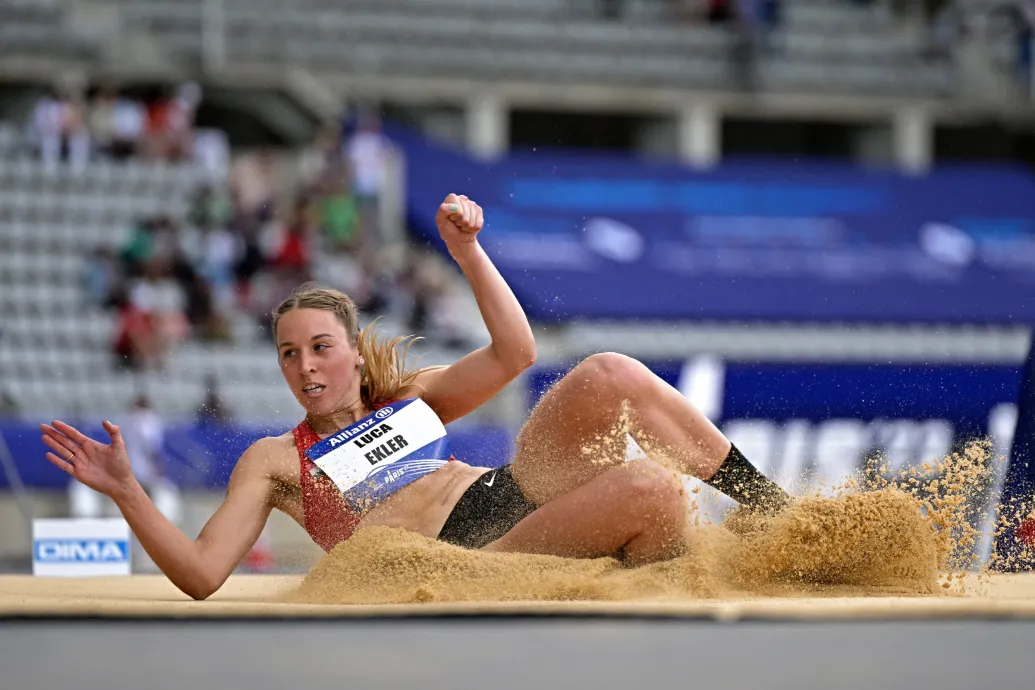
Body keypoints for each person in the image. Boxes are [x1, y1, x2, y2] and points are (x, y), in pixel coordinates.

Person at [41, 194, 789, 600]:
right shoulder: (274, 461)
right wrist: (129, 493)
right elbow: (204, 577)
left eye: (320, 347)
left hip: (513, 493)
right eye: (288, 353)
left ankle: (776, 517)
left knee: (609, 374)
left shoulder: (404, 402)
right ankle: (655, 576)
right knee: (651, 491)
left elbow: (516, 355)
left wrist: (466, 251)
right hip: (468, 556)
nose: (305, 366)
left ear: (350, 351)